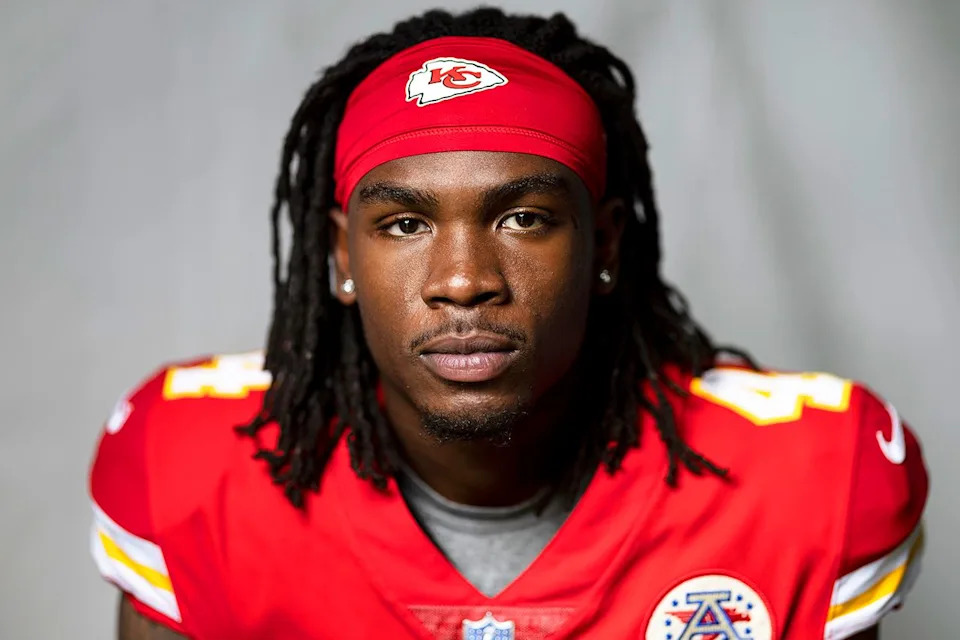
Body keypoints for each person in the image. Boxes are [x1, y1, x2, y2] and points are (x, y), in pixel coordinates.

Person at [87, 8, 928, 640]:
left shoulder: (809, 477)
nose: (463, 281)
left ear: (605, 245)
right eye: (405, 225)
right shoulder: (194, 467)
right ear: (339, 257)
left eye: (523, 218)